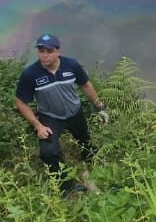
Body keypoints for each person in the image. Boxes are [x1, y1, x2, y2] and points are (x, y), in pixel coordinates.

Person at [14, 33, 109, 195]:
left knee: (85, 140)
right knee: (48, 152)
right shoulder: (30, 74)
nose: (44, 55)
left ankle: (92, 165)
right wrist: (38, 125)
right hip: (50, 117)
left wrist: (99, 106)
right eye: (41, 51)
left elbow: (85, 85)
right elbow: (20, 102)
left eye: (49, 51)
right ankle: (65, 185)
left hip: (74, 112)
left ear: (58, 51)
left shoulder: (71, 65)